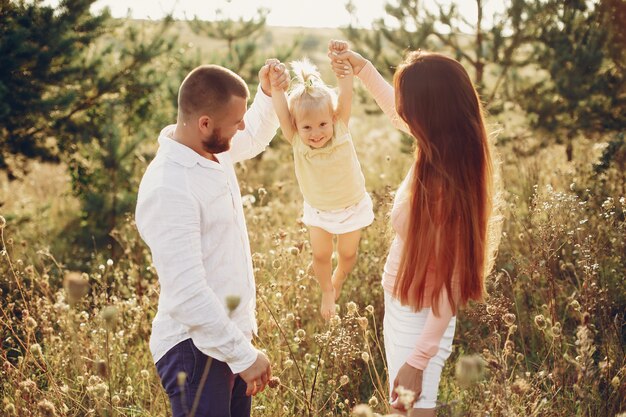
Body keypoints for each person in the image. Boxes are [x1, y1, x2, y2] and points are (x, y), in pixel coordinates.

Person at [328, 41, 502, 416]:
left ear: (430, 114)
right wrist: (362, 68)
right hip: (405, 302)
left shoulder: (446, 184)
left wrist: (419, 360)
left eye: (410, 106)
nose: (402, 111)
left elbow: (449, 284)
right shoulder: (441, 149)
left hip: (419, 314)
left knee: (408, 412)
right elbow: (396, 113)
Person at [135, 60, 289, 417]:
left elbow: (251, 136)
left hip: (226, 339)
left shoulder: (209, 148)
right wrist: (243, 355)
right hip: (194, 348)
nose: (240, 128)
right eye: (234, 123)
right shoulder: (169, 186)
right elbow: (186, 294)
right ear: (205, 123)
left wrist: (266, 93)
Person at [268, 49, 374, 320]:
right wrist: (274, 86)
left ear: (333, 118)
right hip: (319, 210)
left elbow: (346, 94)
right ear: (296, 126)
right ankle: (327, 290)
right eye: (307, 128)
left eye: (322, 124)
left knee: (348, 255)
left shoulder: (340, 129)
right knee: (320, 255)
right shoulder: (294, 139)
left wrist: (343, 69)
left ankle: (338, 278)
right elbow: (281, 112)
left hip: (351, 205)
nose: (316, 133)